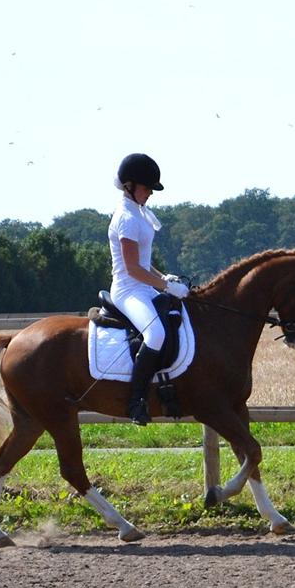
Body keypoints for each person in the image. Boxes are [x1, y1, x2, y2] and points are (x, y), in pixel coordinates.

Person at [108, 153, 190, 425]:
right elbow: (132, 268)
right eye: (146, 188)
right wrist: (166, 286)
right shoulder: (126, 218)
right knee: (154, 334)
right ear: (130, 186)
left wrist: (164, 276)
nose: (150, 194)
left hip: (144, 286)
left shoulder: (138, 213)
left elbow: (144, 262)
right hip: (128, 290)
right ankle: (137, 400)